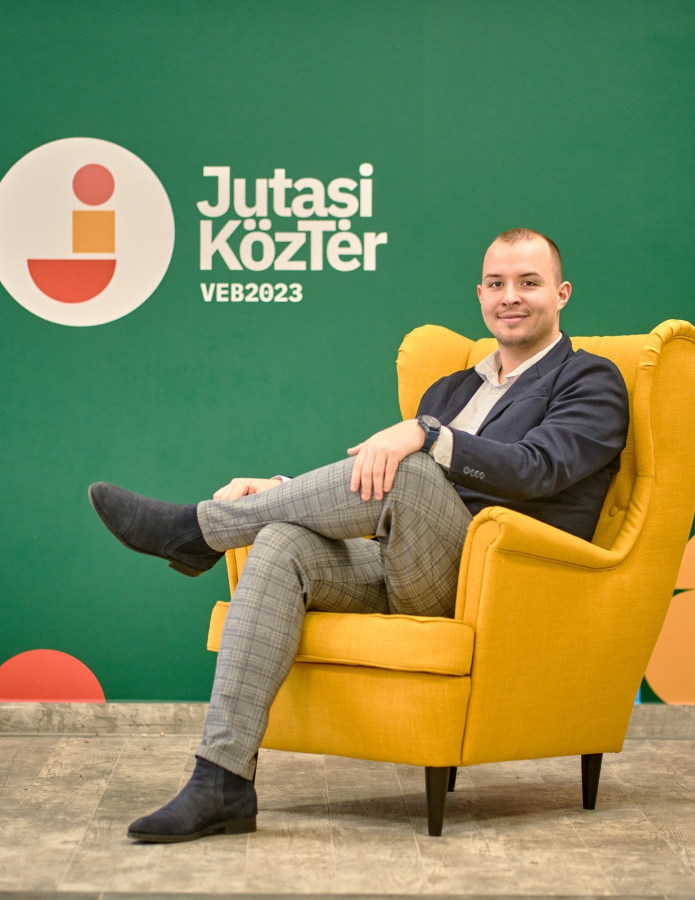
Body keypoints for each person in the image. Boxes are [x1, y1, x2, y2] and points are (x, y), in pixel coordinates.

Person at [88, 227, 629, 843]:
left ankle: (197, 530)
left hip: (500, 586)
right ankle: (222, 781)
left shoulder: (592, 380)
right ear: (480, 294)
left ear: (561, 293)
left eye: (529, 283)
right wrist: (282, 490)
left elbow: (537, 468)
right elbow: (376, 486)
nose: (511, 296)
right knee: (281, 540)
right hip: (406, 562)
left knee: (414, 467)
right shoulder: (452, 388)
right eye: (497, 283)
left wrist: (427, 435)